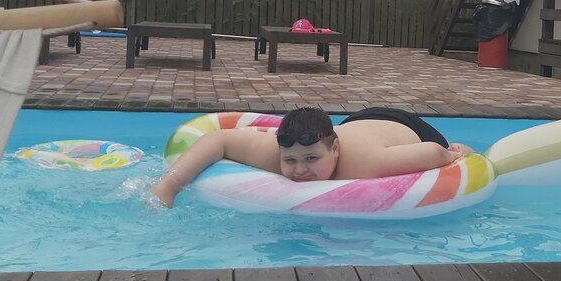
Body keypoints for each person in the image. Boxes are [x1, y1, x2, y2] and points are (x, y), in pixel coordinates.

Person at [149, 105, 473, 208]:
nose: (299, 170)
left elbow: (432, 152)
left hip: (403, 125)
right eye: (290, 161)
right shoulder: (276, 152)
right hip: (356, 122)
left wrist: (453, 153)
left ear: (334, 150)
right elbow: (216, 139)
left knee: (452, 147)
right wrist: (168, 187)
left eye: (311, 160)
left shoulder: (370, 163)